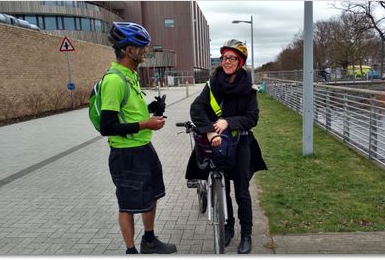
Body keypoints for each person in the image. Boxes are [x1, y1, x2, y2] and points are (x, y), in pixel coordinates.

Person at [100, 21, 176, 254]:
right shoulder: (114, 80)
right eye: (141, 47)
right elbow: (107, 126)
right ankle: (131, 251)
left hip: (143, 148)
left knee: (151, 194)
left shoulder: (130, 75)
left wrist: (153, 111)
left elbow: (128, 112)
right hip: (126, 154)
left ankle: (150, 241)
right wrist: (145, 123)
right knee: (128, 205)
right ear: (128, 50)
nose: (145, 51)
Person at [186, 39, 267, 254]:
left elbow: (252, 118)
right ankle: (228, 227)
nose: (227, 62)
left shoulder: (248, 88)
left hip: (240, 143)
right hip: (218, 143)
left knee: (242, 191)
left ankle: (247, 235)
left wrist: (228, 122)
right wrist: (210, 130)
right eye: (224, 58)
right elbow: (196, 108)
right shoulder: (213, 84)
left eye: (232, 58)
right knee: (224, 188)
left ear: (240, 62)